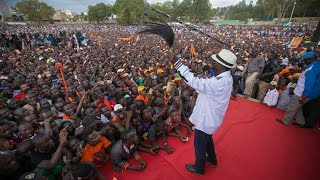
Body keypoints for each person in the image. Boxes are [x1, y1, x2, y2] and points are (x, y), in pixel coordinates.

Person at [172, 49, 236, 175]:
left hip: (206, 119)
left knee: (200, 144)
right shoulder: (226, 77)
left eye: (214, 62)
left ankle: (199, 167)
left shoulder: (218, 83)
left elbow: (194, 82)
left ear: (221, 66)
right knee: (207, 139)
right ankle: (212, 159)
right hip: (212, 119)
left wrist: (177, 63)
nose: (212, 64)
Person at [276, 52, 319, 127]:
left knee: (292, 107)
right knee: (297, 107)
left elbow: (309, 85)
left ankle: (286, 121)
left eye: (305, 60)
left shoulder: (311, 70)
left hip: (303, 92)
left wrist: (303, 96)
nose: (304, 62)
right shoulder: (317, 64)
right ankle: (301, 122)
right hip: (308, 91)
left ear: (310, 59)